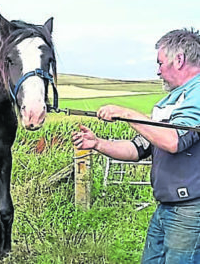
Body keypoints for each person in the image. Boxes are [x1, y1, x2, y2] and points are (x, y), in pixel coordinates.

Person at [72, 28, 200, 264]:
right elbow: (138, 148)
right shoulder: (170, 101)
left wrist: (126, 114)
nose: (158, 71)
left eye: (160, 63)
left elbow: (174, 141)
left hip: (190, 211)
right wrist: (98, 143)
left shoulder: (197, 93)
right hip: (166, 207)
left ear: (179, 60)